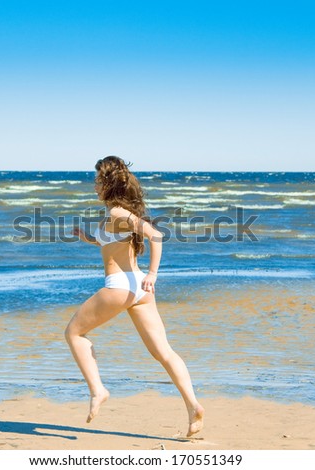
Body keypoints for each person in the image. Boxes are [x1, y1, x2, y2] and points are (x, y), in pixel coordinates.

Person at [65, 156, 204, 437]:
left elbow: (156, 236)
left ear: (107, 183)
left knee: (74, 334)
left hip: (121, 286)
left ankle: (98, 390)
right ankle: (193, 406)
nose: (93, 186)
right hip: (138, 288)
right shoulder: (114, 216)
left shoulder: (117, 213)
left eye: (96, 181)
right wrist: (89, 238)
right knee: (163, 352)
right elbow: (114, 244)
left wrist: (154, 273)